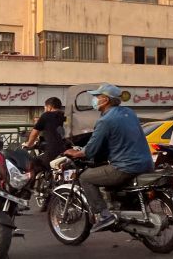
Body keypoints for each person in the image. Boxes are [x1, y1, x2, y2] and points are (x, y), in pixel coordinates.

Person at [64, 83, 153, 233]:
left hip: (126, 167)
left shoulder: (106, 120)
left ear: (105, 100)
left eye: (97, 97)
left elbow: (91, 150)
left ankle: (104, 215)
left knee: (85, 177)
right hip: (147, 163)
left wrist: (76, 153)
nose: (95, 100)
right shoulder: (129, 112)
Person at [23, 96, 66, 172]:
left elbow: (35, 133)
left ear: (49, 107)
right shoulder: (65, 116)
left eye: (45, 108)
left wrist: (29, 144)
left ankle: (31, 183)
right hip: (66, 150)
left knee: (33, 163)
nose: (44, 110)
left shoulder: (46, 115)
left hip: (52, 152)